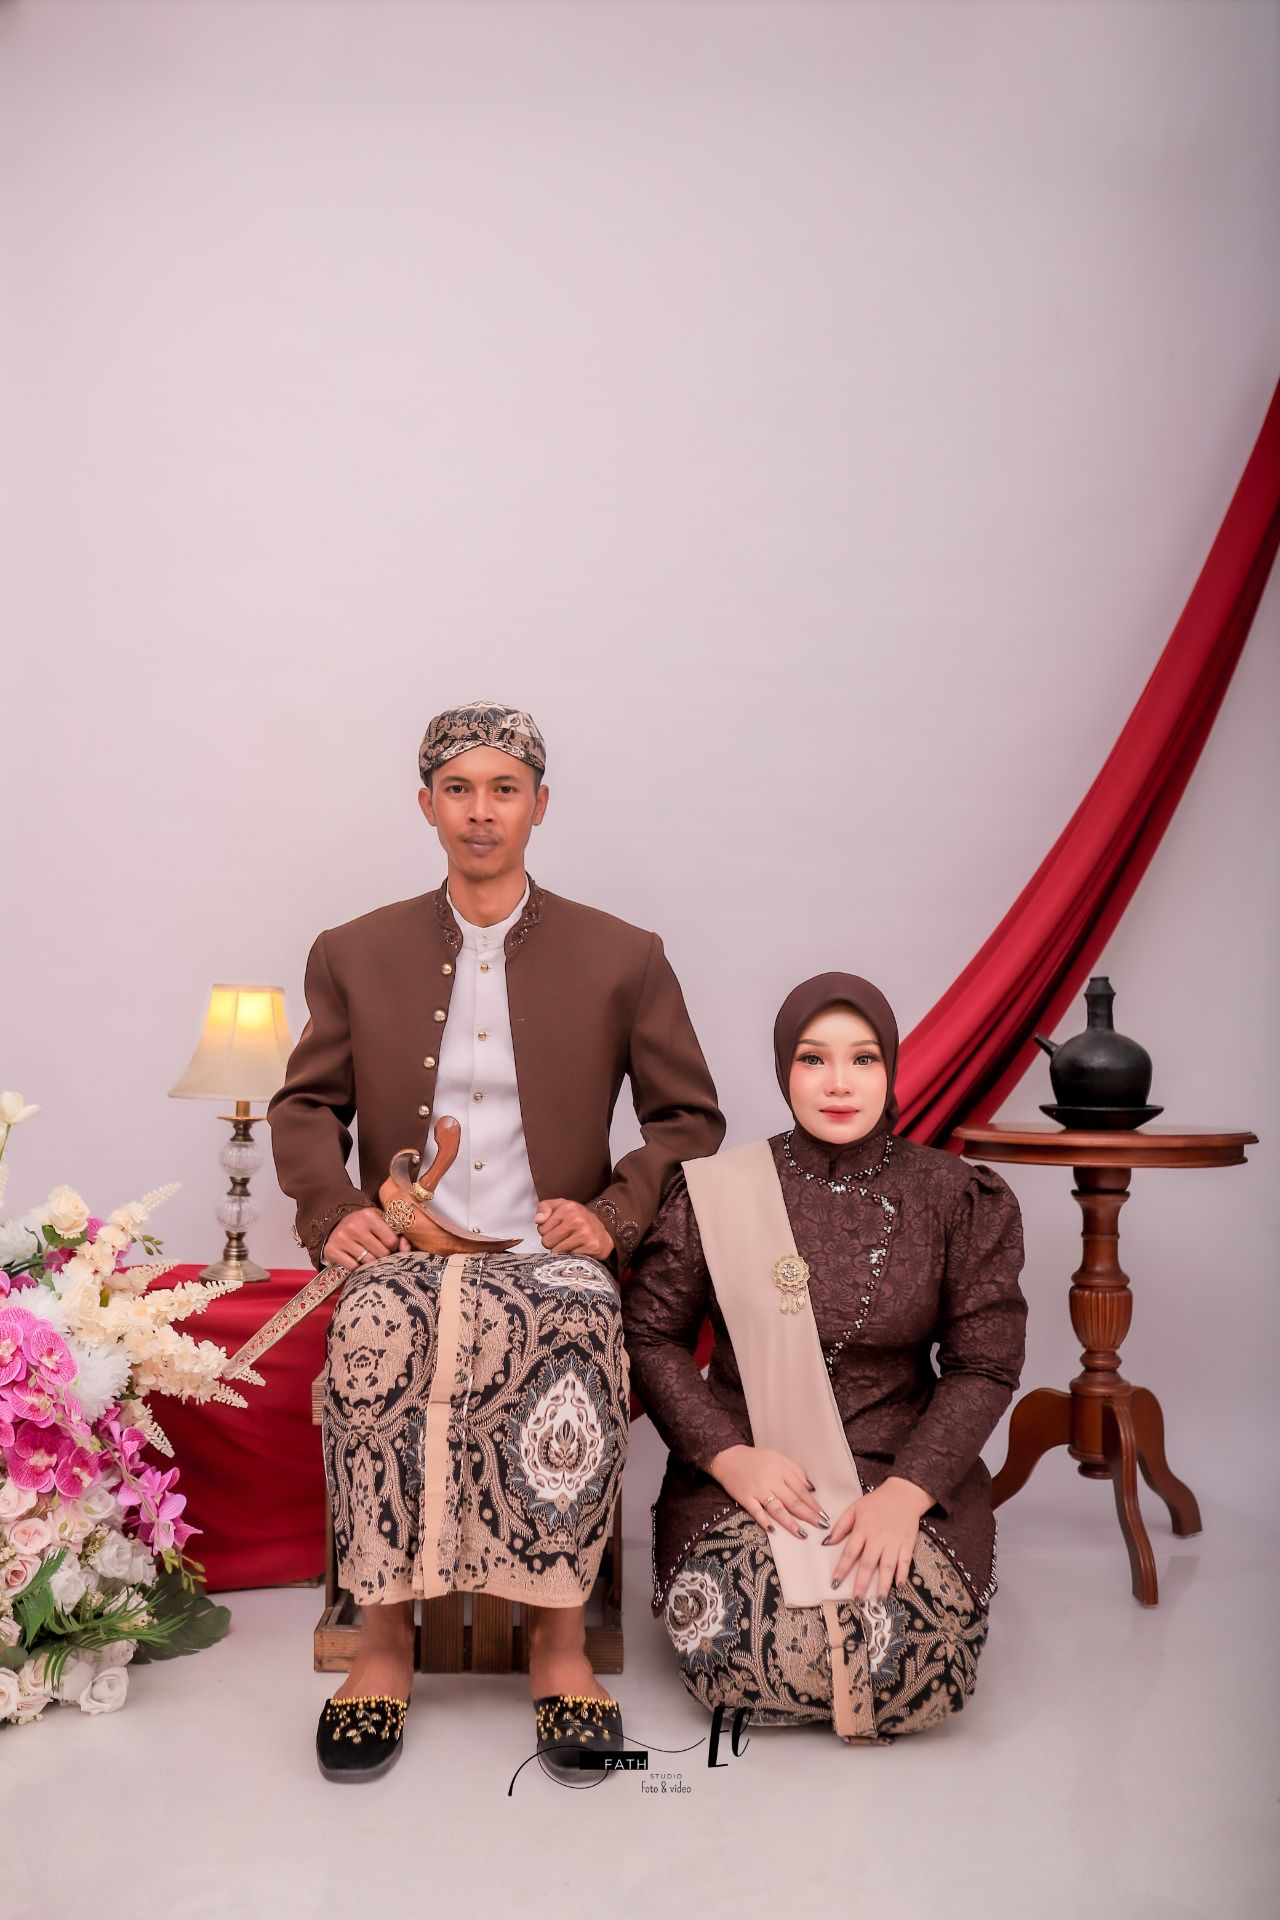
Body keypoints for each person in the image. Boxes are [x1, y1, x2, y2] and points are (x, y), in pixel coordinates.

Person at [267, 700, 724, 1779]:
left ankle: (558, 1647)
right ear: (426, 805)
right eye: (459, 790)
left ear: (539, 806)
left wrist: (610, 1216)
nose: (481, 812)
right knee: (373, 1336)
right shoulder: (352, 950)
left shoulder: (624, 955)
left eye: (504, 790)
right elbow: (304, 1107)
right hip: (408, 1251)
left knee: (576, 1335)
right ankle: (383, 1646)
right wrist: (335, 1215)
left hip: (548, 1255)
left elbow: (687, 1119)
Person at [621, 971, 1027, 1743]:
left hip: (899, 1467)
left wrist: (908, 1493)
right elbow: (652, 1335)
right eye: (814, 1059)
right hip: (753, 1474)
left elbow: (984, 1364)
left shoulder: (953, 1196)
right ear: (785, 1069)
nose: (839, 1083)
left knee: (912, 1660)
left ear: (890, 1067)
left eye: (863, 1059)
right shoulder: (717, 1191)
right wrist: (728, 1455)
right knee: (745, 1643)